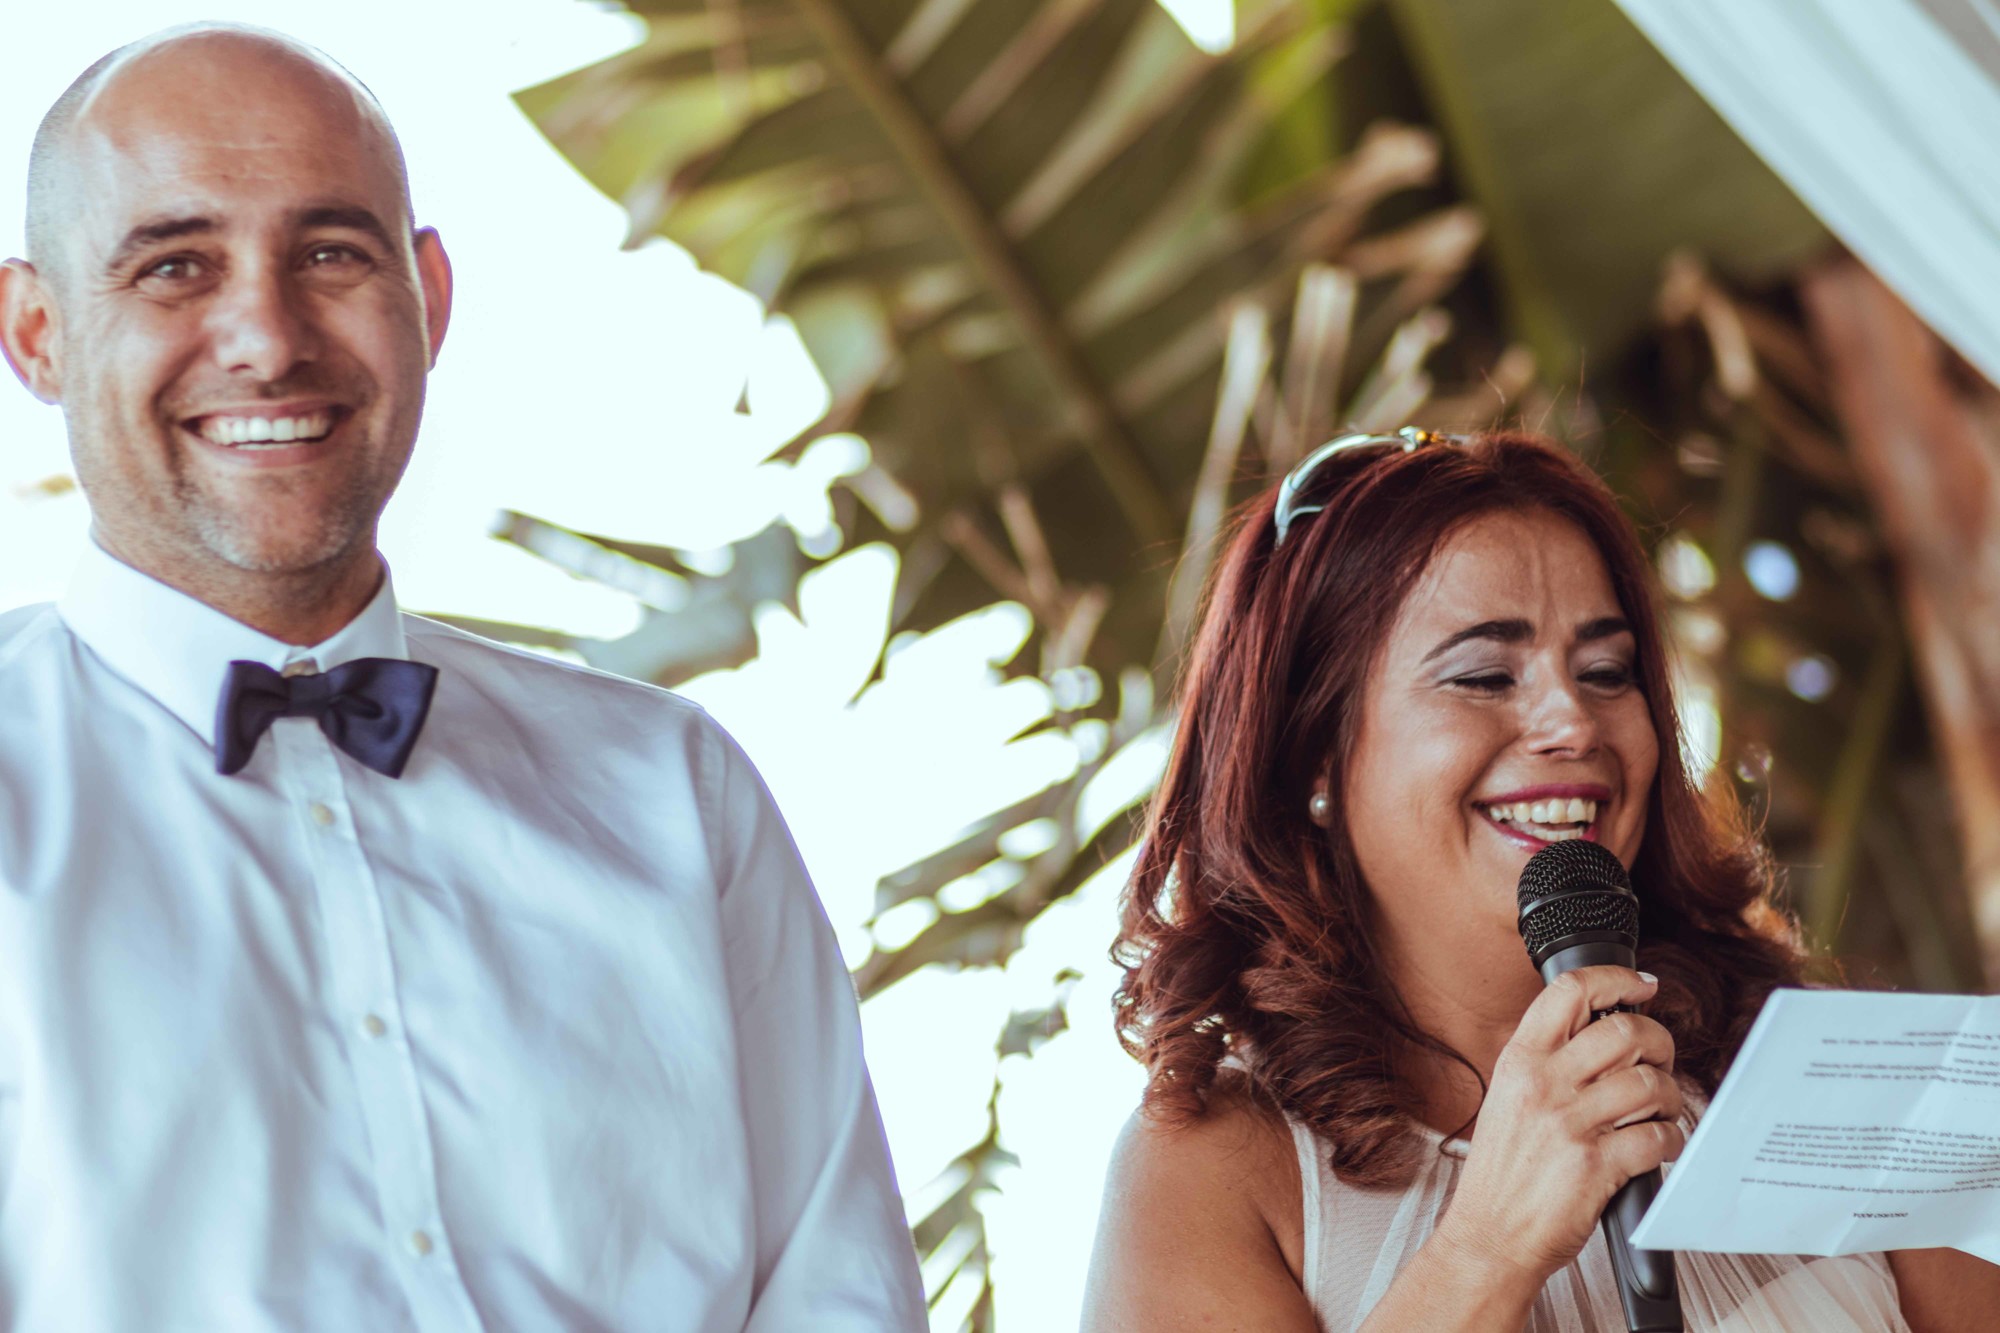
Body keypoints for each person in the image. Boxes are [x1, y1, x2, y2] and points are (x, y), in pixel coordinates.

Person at [0, 24, 924, 1332]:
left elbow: (841, 1304)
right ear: (36, 333)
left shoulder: (674, 792)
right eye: (175, 266)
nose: (266, 336)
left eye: (330, 254)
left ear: (427, 300)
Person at [1080, 429, 2000, 1331]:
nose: (1573, 721)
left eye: (1607, 670)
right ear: (1311, 752)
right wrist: (1486, 1250)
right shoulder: (1211, 1171)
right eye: (1484, 676)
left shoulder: (1837, 1082)